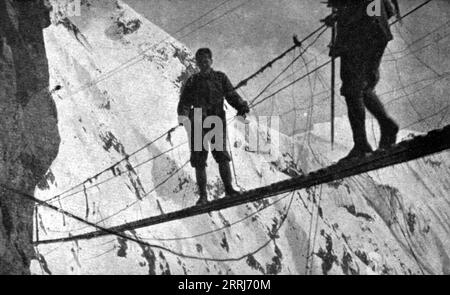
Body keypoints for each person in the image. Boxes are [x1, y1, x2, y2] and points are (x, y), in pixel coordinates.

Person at [323, 0, 400, 162]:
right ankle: (385, 127)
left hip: (361, 32)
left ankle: (362, 145)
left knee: (353, 88)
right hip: (373, 27)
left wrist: (343, 14)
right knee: (361, 87)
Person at [177, 48, 250, 205]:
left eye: (206, 60)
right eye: (201, 61)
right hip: (197, 120)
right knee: (199, 158)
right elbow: (184, 102)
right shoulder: (192, 81)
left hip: (216, 117)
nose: (204, 63)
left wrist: (241, 106)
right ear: (197, 63)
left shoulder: (220, 78)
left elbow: (231, 95)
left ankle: (229, 189)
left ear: (211, 61)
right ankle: (203, 196)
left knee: (221, 154)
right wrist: (183, 117)